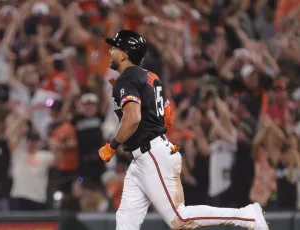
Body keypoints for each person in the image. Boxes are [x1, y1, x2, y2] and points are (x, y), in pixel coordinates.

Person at [98, 30, 269, 230]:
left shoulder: (127, 80)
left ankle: (247, 216)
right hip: (148, 151)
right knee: (126, 220)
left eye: (115, 48)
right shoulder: (150, 77)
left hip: (150, 153)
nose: (111, 51)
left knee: (179, 217)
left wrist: (113, 145)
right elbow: (167, 114)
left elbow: (133, 118)